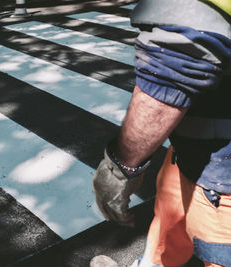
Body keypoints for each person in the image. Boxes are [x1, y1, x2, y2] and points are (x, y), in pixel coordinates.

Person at [91, 0, 231, 266]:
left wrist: (119, 169)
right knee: (167, 224)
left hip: (222, 173)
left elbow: (171, 74)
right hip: (193, 154)